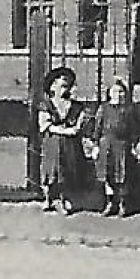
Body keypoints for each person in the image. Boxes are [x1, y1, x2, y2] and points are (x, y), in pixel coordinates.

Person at [37, 66, 87, 214]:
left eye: (69, 86)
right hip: (52, 142)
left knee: (66, 171)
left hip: (69, 145)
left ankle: (65, 199)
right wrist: (64, 130)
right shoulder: (46, 105)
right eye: (63, 85)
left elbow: (80, 123)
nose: (66, 89)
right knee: (49, 171)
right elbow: (45, 125)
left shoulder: (76, 106)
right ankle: (47, 199)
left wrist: (75, 129)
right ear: (53, 86)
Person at [90, 78, 140, 217]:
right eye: (115, 92)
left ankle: (123, 204)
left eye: (121, 92)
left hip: (123, 146)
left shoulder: (129, 110)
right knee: (108, 175)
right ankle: (110, 203)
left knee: (122, 175)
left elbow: (134, 130)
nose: (118, 95)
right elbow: (97, 128)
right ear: (109, 93)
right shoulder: (103, 108)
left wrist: (134, 146)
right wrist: (95, 146)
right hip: (106, 145)